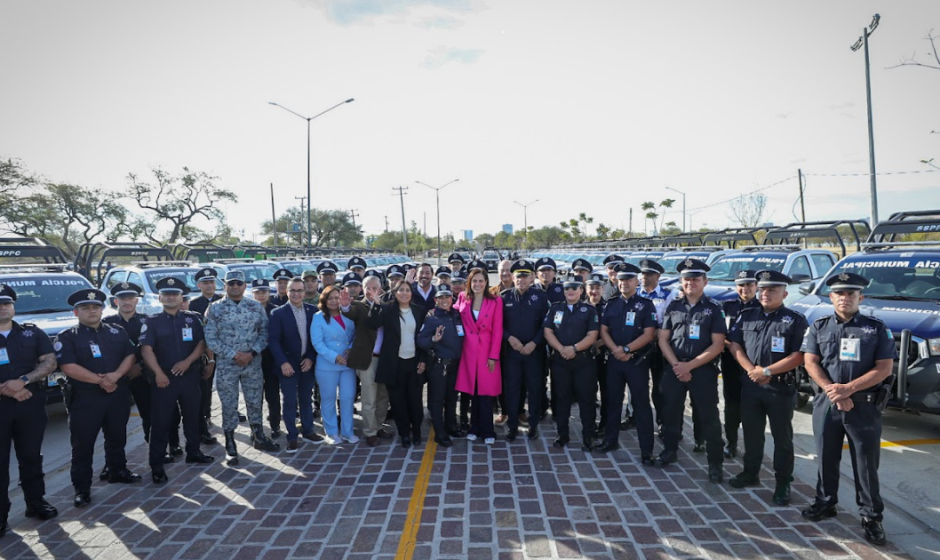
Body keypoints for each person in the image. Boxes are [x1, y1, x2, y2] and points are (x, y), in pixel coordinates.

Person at [800, 272, 896, 546]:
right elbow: (811, 362)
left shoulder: (876, 328)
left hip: (863, 407)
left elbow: (884, 368)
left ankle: (871, 517)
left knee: (866, 465)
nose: (845, 298)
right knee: (826, 457)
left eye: (851, 294)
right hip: (827, 404)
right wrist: (834, 391)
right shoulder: (818, 326)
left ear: (860, 297)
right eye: (839, 293)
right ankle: (825, 502)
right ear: (831, 297)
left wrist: (848, 389)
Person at [726, 270, 807, 504]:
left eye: (772, 289)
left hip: (779, 388)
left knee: (782, 438)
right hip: (751, 385)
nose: (765, 293)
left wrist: (767, 371)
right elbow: (735, 346)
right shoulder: (747, 316)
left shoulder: (795, 319)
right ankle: (750, 472)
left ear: (785, 293)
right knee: (752, 433)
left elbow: (799, 355)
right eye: (762, 289)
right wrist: (753, 371)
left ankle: (783, 482)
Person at [56, 289, 140, 508]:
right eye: (85, 308)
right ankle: (82, 489)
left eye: (95, 307)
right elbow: (68, 366)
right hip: (86, 397)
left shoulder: (117, 331)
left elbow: (130, 355)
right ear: (76, 312)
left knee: (117, 436)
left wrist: (116, 375)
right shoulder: (67, 336)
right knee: (83, 445)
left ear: (102, 309)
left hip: (117, 393)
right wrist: (100, 380)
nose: (92, 311)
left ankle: (117, 470)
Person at [654, 259, 726, 484]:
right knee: (671, 412)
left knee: (709, 417)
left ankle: (715, 463)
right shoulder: (673, 306)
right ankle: (670, 450)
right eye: (686, 279)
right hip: (675, 368)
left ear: (704, 281)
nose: (690, 283)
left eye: (695, 279)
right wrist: (677, 365)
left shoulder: (713, 308)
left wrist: (690, 366)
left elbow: (718, 344)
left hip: (702, 370)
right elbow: (663, 339)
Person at [139, 278, 215, 484]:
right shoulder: (152, 321)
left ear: (182, 297)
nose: (171, 297)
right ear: (160, 297)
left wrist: (188, 361)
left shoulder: (192, 319)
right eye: (167, 294)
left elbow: (201, 343)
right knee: (161, 422)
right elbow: (146, 350)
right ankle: (156, 465)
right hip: (165, 379)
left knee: (192, 417)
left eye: (175, 294)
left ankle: (194, 452)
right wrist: (158, 373)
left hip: (189, 376)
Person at [102, 282, 178, 479]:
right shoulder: (107, 323)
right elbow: (106, 353)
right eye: (123, 298)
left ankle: (156, 452)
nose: (127, 302)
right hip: (118, 378)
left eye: (131, 298)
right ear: (115, 301)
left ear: (137, 300)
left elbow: (154, 348)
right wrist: (125, 370)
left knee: (150, 417)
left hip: (143, 376)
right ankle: (112, 463)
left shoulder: (147, 320)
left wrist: (140, 366)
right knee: (114, 423)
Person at [204, 270, 279, 466]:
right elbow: (210, 338)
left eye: (239, 283)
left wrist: (251, 353)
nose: (235, 287)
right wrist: (234, 355)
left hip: (252, 363)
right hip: (228, 365)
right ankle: (230, 443)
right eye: (231, 284)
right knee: (229, 404)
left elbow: (264, 333)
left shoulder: (255, 307)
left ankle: (259, 435)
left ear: (245, 286)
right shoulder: (214, 309)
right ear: (225, 286)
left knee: (255, 400)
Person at [0, 285, 58, 535]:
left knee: (31, 457)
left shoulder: (32, 333)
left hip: (29, 403)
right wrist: (8, 389)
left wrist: (22, 381)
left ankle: (36, 503)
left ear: (13, 305)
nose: (2, 307)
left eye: (6, 302)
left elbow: (49, 361)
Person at [596, 263, 658, 460]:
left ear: (636, 281)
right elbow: (604, 330)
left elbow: (650, 334)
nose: (624, 283)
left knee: (641, 404)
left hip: (635, 361)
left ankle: (646, 449)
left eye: (628, 279)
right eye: (621, 279)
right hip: (614, 360)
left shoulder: (646, 304)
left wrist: (626, 349)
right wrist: (616, 350)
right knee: (613, 402)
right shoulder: (611, 303)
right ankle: (611, 440)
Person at [542, 279, 599, 450]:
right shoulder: (555, 308)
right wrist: (561, 349)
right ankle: (562, 434)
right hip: (560, 361)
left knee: (586, 399)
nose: (570, 291)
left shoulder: (589, 310)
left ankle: (588, 436)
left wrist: (573, 348)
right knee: (561, 398)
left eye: (574, 288)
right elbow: (548, 331)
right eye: (567, 288)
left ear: (581, 290)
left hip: (583, 362)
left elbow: (592, 335)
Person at [372, 282, 427, 447]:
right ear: (394, 293)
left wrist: (423, 359)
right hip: (394, 364)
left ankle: (416, 432)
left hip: (414, 362)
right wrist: (375, 305)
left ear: (412, 293)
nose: (404, 293)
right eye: (401, 290)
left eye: (407, 290)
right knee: (398, 401)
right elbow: (372, 324)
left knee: (415, 401)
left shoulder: (419, 310)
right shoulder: (388, 310)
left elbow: (423, 338)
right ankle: (404, 433)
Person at [270, 278, 321, 450]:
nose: (296, 294)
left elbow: (316, 339)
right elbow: (274, 341)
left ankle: (308, 430)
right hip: (288, 365)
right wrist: (283, 363)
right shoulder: (278, 313)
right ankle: (292, 435)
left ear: (305, 292)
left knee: (306, 398)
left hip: (307, 363)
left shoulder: (313, 311)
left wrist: (311, 358)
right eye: (293, 290)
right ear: (287, 292)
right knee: (290, 400)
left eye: (300, 290)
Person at [500, 260, 549, 442]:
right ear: (512, 277)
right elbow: (499, 325)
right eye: (517, 276)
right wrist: (509, 338)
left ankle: (533, 425)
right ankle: (512, 426)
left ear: (531, 278)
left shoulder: (541, 297)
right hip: (512, 353)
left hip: (533, 352)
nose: (521, 279)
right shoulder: (504, 298)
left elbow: (546, 324)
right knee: (512, 390)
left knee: (534, 389)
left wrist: (535, 343)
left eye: (525, 276)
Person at [341, 274, 393, 446]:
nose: (371, 291)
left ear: (381, 288)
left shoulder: (386, 306)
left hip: (385, 359)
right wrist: (345, 306)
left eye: (375, 288)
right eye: (368, 288)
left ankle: (378, 426)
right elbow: (350, 312)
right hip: (367, 359)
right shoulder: (358, 306)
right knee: (369, 397)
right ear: (363, 289)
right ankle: (370, 431)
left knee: (383, 396)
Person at [455, 268, 503, 445]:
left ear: (486, 282)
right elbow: (452, 312)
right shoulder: (462, 297)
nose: (477, 284)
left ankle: (487, 430)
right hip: (467, 352)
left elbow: (498, 331)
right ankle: (473, 427)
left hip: (487, 353)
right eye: (474, 281)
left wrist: (493, 356)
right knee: (472, 392)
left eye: (481, 281)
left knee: (486, 393)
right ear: (469, 282)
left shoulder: (495, 301)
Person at [720, 269, 761, 459]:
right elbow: (720, 334)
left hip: (754, 365)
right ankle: (731, 442)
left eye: (749, 284)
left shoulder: (762, 308)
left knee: (752, 407)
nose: (745, 288)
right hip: (730, 363)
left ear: (756, 286)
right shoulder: (727, 306)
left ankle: (752, 447)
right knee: (731, 405)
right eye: (741, 285)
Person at [310, 285, 358, 444]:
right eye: (330, 298)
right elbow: (317, 342)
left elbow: (356, 335)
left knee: (347, 397)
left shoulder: (349, 315)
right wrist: (333, 356)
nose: (334, 301)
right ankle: (331, 433)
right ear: (324, 300)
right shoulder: (318, 317)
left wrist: (352, 349)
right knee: (328, 398)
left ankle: (347, 432)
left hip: (347, 363)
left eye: (337, 298)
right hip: (327, 364)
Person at [417, 287, 463, 448]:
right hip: (439, 365)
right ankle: (439, 433)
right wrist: (433, 339)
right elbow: (420, 340)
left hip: (455, 364)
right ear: (435, 300)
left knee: (451, 398)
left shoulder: (456, 315)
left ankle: (451, 426)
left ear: (452, 299)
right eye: (441, 298)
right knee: (437, 400)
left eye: (448, 297)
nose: (445, 300)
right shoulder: (432, 318)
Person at [636, 259, 676, 434]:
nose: (644, 277)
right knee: (637, 386)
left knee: (660, 387)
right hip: (638, 346)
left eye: (649, 274)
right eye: (643, 274)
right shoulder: (635, 293)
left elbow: (669, 324)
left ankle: (663, 421)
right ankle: (635, 417)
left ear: (658, 276)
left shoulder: (668, 295)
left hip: (658, 347)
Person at [188, 267, 222, 445]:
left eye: (212, 282)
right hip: (204, 350)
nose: (209, 286)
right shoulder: (194, 305)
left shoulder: (223, 300)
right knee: (206, 385)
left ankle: (231, 411)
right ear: (199, 285)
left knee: (227, 382)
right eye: (205, 283)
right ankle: (206, 415)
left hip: (224, 349)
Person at [251, 279, 282, 439]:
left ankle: (275, 425)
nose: (261, 295)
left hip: (271, 359)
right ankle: (255, 429)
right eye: (257, 292)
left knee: (273, 394)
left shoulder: (275, 311)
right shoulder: (247, 310)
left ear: (269, 293)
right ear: (252, 294)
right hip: (252, 359)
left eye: (263, 292)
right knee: (254, 397)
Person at [585, 273, 610, 437]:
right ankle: (590, 423)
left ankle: (605, 424)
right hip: (586, 356)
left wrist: (599, 343)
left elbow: (613, 330)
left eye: (597, 287)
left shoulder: (609, 307)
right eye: (591, 287)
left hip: (605, 354)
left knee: (607, 391)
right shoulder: (581, 306)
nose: (594, 291)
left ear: (602, 288)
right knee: (588, 391)